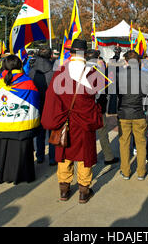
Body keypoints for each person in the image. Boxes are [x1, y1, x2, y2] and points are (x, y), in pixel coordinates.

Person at [42, 39, 104, 204]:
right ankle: (84, 191)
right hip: (84, 122)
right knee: (84, 157)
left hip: (65, 122)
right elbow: (98, 99)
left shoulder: (59, 72)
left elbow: (51, 97)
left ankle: (64, 190)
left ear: (71, 53)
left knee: (64, 155)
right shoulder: (93, 74)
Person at [0, 55, 41, 185]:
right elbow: (35, 99)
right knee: (23, 151)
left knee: (5, 150)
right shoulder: (27, 82)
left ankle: (6, 175)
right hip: (22, 124)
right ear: (20, 65)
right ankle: (23, 175)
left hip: (3, 123)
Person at [117, 50, 148, 181]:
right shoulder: (145, 75)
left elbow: (118, 95)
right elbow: (147, 93)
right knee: (141, 143)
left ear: (126, 61)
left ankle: (125, 171)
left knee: (124, 143)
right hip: (138, 112)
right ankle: (141, 172)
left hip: (124, 112)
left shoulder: (120, 75)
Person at [86, 49, 119, 166]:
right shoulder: (98, 71)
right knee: (102, 132)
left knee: (88, 133)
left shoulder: (82, 70)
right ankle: (108, 156)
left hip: (85, 108)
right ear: (98, 57)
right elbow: (100, 92)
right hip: (97, 107)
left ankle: (88, 156)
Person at [28, 47, 57, 166]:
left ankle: (40, 156)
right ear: (50, 56)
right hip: (50, 104)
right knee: (52, 131)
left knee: (39, 132)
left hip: (36, 103)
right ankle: (52, 157)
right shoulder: (53, 71)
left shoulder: (31, 70)